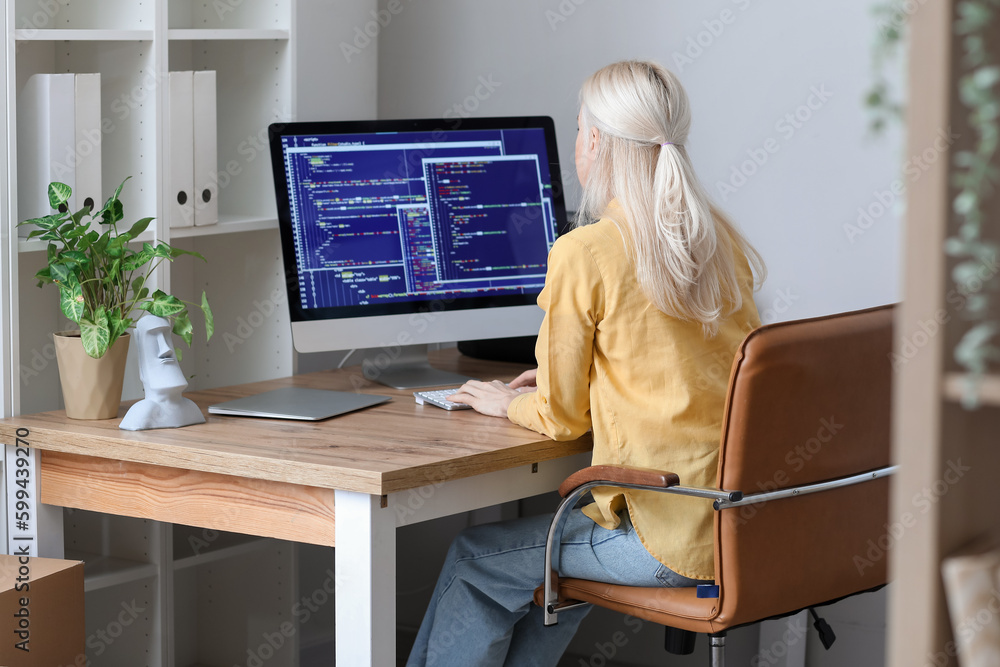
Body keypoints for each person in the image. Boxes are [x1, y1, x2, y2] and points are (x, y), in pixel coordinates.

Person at [405, 60, 766, 667]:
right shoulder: (717, 236)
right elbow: (682, 365)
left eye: (578, 129)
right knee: (543, 569)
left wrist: (506, 400)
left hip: (665, 537)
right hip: (737, 521)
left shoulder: (586, 250)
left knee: (474, 559)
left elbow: (561, 420)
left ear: (594, 141)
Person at [119, 315, 205, 431]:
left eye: (166, 335)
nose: (166, 349)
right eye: (153, 338)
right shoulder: (142, 414)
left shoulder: (191, 409)